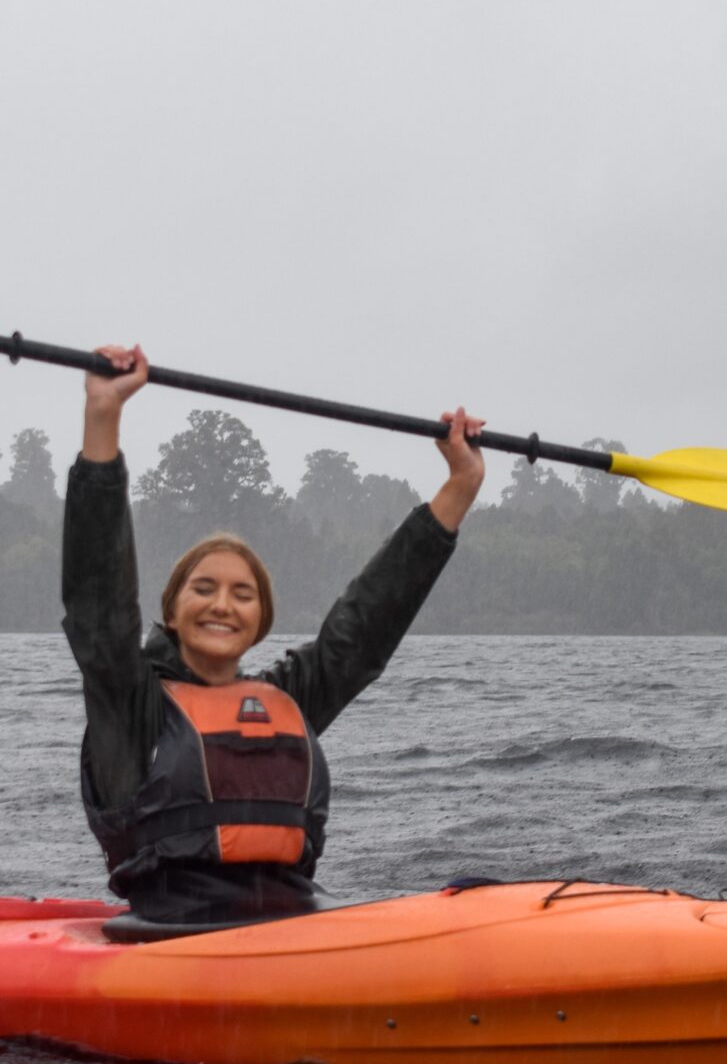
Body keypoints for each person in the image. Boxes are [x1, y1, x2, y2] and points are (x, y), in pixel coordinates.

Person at [65, 345, 485, 927]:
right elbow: (99, 602)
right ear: (173, 609)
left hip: (294, 923)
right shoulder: (129, 706)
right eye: (204, 588)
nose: (222, 604)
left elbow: (365, 626)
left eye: (243, 594)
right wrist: (103, 416)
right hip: (171, 932)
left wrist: (461, 485)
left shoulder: (287, 700)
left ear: (260, 619)